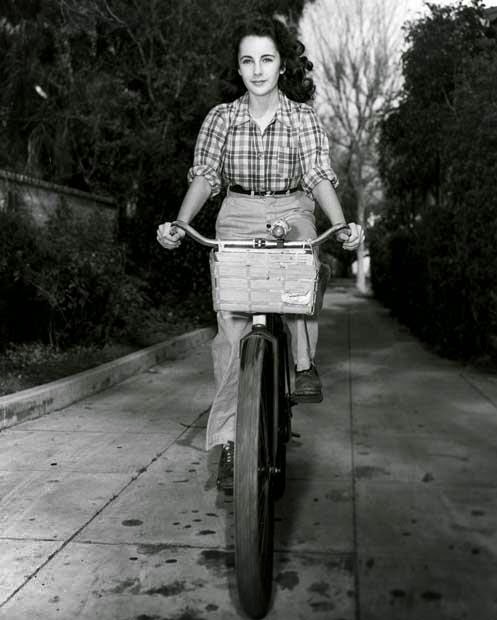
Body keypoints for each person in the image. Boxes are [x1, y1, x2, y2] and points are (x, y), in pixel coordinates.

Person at [157, 15, 363, 488]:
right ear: (238, 67)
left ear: (282, 65)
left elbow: (317, 177)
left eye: (266, 59)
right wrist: (182, 223)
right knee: (231, 334)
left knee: (299, 270)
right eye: (247, 60)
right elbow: (206, 176)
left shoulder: (302, 118)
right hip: (237, 212)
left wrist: (340, 225)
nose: (257, 69)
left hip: (292, 209)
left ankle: (303, 363)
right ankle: (231, 442)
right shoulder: (221, 118)